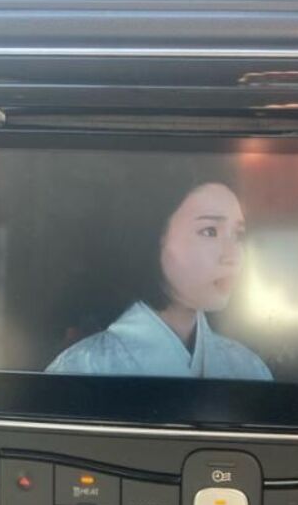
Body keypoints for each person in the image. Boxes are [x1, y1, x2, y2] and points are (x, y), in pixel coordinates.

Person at [45, 158, 272, 381]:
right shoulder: (80, 369)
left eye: (238, 235)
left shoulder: (248, 368)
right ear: (153, 236)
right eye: (209, 231)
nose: (232, 256)